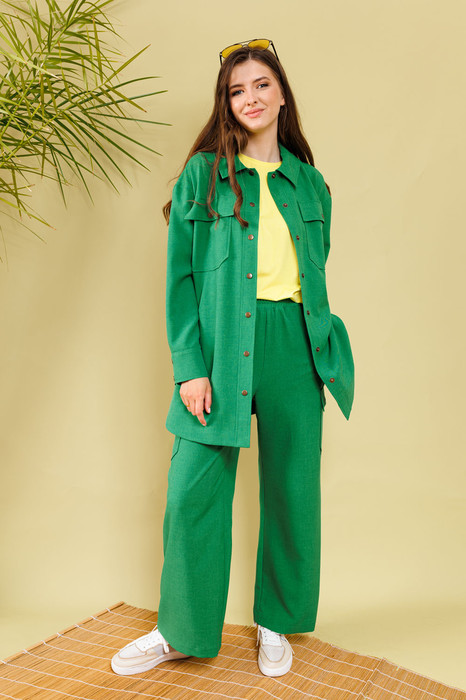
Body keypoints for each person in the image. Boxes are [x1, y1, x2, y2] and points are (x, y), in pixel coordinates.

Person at [111, 37, 354, 679]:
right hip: (222, 346)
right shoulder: (203, 175)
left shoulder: (311, 184)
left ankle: (277, 620)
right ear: (226, 102)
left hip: (295, 345)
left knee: (293, 489)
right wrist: (190, 366)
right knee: (194, 489)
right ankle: (180, 629)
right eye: (236, 89)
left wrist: (320, 347)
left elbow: (316, 271)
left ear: (282, 93)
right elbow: (180, 279)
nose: (250, 97)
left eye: (261, 85)